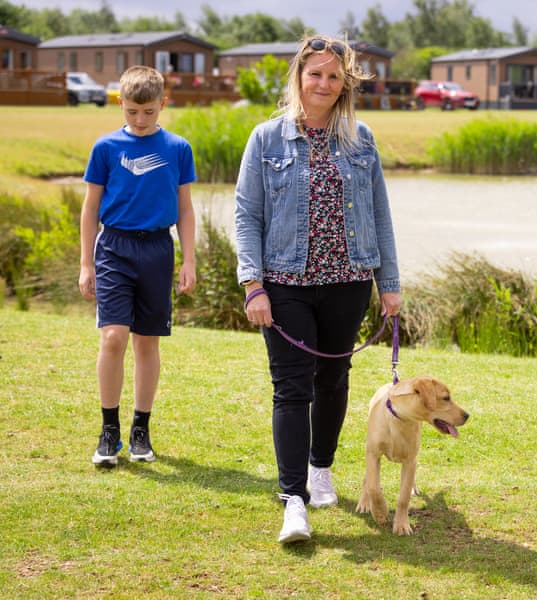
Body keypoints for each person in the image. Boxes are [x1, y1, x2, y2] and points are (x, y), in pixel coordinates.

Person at [235, 35, 402, 543]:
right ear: (299, 78)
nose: (324, 84)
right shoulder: (266, 139)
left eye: (333, 76)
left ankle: (321, 468)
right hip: (284, 284)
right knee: (290, 387)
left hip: (349, 280)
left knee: (332, 379)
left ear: (343, 84)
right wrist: (253, 285)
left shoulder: (361, 139)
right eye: (315, 74)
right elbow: (247, 216)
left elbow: (379, 215)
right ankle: (293, 502)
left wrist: (388, 285)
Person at [78, 65, 197, 467]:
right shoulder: (105, 148)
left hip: (158, 250)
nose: (140, 120)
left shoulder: (178, 148)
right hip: (113, 247)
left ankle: (140, 429)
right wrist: (85, 264)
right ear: (120, 105)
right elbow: (90, 207)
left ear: (164, 103)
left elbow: (185, 208)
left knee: (147, 341)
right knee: (113, 337)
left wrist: (189, 259)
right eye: (131, 112)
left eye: (148, 112)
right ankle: (108, 431)